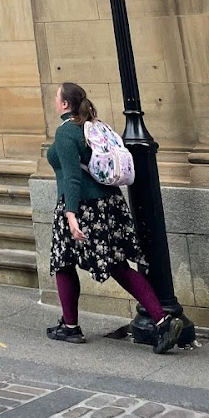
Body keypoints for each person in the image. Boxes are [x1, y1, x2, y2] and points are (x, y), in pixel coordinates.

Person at [46, 81, 182, 352]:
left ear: (64, 104)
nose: (54, 100)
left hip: (80, 206)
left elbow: (72, 178)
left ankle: (70, 327)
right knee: (118, 265)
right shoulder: (93, 126)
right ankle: (162, 320)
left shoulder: (66, 133)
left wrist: (71, 215)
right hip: (109, 205)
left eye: (56, 97)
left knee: (63, 262)